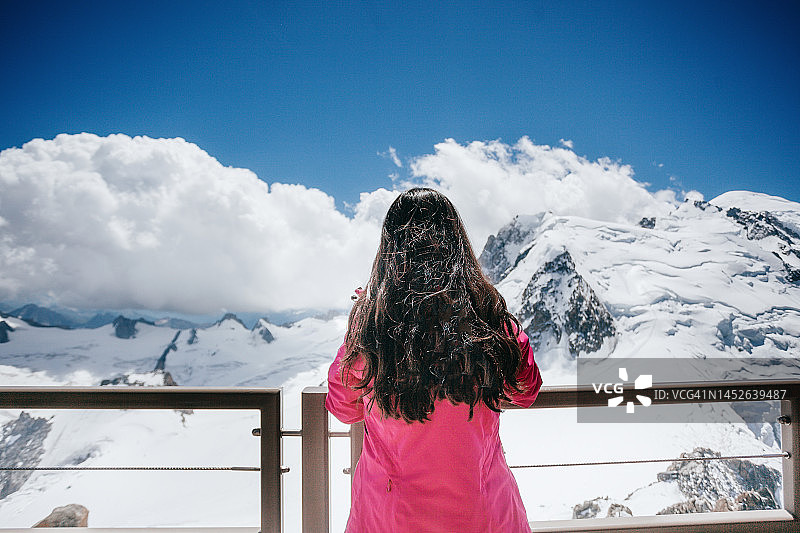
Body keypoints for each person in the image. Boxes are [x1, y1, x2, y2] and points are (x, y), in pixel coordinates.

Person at [326, 187, 542, 533]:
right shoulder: (486, 316)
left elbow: (344, 407)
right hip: (482, 512)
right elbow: (526, 391)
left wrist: (363, 320)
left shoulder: (373, 326)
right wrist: (491, 311)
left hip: (391, 516)